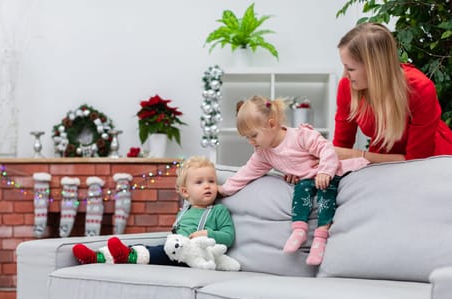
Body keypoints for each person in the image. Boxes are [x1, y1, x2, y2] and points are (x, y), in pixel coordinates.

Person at [218, 96, 368, 265]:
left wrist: (325, 171)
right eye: (247, 138)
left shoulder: (300, 136)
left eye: (253, 135)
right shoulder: (264, 154)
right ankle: (299, 229)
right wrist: (224, 190)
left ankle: (321, 236)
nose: (251, 142)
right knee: (300, 191)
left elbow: (326, 149)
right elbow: (246, 173)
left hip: (326, 174)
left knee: (326, 194)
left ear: (272, 124)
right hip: (306, 180)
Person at [72, 155, 235, 266]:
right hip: (174, 248)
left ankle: (127, 256)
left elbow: (229, 237)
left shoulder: (217, 211)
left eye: (211, 181)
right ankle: (98, 257)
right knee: (143, 247)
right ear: (185, 192)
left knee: (156, 253)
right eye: (199, 182)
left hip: (192, 257)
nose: (207, 185)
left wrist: (206, 234)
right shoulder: (185, 210)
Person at [333, 22, 452, 163]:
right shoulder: (348, 86)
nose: (345, 74)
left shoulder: (420, 89)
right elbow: (340, 148)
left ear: (374, 69)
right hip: (382, 159)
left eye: (351, 69)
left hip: (431, 161)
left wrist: (357, 155)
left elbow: (416, 160)